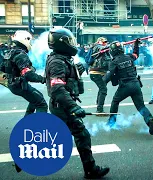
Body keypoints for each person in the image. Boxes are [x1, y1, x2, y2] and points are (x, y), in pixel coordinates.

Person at [46, 28, 109, 179]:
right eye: (70, 41)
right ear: (62, 43)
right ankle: (91, 170)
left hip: (61, 105)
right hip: (63, 106)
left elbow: (64, 79)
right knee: (81, 135)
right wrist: (73, 106)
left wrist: (75, 69)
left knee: (60, 137)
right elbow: (57, 88)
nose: (73, 44)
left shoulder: (61, 58)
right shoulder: (57, 61)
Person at [0, 30, 48, 172]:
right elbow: (28, 74)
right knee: (41, 104)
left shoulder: (10, 51)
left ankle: (27, 123)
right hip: (20, 84)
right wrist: (43, 79)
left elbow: (2, 69)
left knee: (35, 99)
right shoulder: (21, 54)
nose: (31, 43)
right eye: (30, 40)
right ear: (25, 39)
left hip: (14, 84)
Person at [102, 40, 153, 135]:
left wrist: (101, 82)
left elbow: (109, 75)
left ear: (113, 51)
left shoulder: (114, 62)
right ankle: (150, 119)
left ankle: (111, 122)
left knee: (115, 102)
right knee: (141, 106)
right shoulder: (129, 57)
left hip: (125, 86)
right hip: (136, 84)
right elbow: (136, 54)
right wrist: (136, 44)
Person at [88, 37, 111, 113]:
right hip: (96, 73)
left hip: (100, 73)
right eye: (104, 42)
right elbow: (102, 48)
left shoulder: (105, 50)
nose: (105, 43)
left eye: (106, 42)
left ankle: (98, 103)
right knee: (103, 89)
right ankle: (99, 109)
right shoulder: (97, 46)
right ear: (99, 42)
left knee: (102, 88)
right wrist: (113, 45)